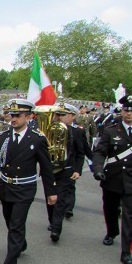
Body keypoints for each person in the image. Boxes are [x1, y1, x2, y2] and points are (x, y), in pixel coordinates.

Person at [0, 99, 57, 264]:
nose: (13, 119)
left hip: (25, 188)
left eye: (18, 115)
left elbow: (46, 168)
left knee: (16, 224)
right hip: (6, 187)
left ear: (29, 117)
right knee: (9, 220)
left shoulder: (37, 139)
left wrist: (51, 192)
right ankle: (20, 243)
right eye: (11, 115)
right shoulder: (2, 138)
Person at [93, 95, 132, 264]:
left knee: (130, 215)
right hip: (112, 177)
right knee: (110, 208)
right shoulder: (111, 130)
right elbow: (100, 151)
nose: (128, 114)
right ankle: (112, 231)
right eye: (125, 110)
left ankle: (126, 251)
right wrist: (98, 169)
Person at [45, 103, 85, 243]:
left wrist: (77, 170)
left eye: (63, 115)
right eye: (57, 114)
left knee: (60, 200)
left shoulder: (77, 132)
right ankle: (52, 221)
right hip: (49, 171)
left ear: (71, 116)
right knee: (50, 199)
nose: (59, 117)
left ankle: (56, 229)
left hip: (65, 171)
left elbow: (80, 153)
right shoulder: (48, 130)